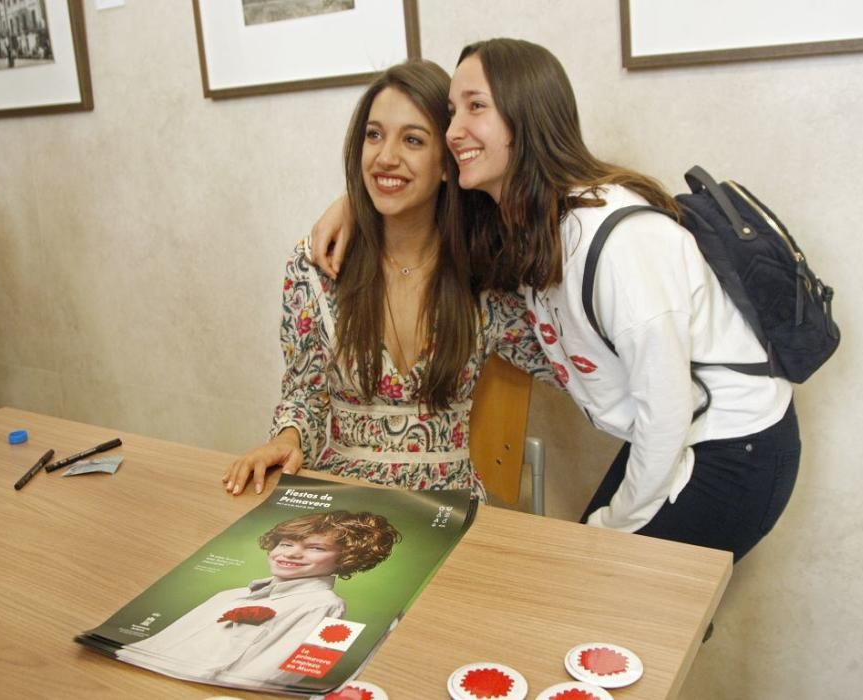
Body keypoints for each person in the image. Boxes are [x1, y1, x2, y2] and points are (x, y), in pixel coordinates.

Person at [309, 39, 801, 563]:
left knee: (611, 599)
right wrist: (357, 206)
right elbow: (422, 197)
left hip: (732, 446)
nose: (453, 131)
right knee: (593, 581)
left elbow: (667, 414)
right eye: (451, 111)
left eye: (476, 106)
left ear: (527, 116)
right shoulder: (524, 221)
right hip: (674, 434)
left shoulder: (617, 242)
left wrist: (611, 530)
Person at [223, 59, 551, 498]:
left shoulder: (484, 271)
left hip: (444, 507)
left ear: (446, 164)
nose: (385, 157)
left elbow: (566, 357)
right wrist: (286, 440)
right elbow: (304, 394)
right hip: (335, 498)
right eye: (373, 135)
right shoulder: (318, 265)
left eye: (412, 140)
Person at [116, 510, 400, 689]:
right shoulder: (228, 596)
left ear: (346, 558)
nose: (290, 554)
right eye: (286, 544)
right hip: (133, 674)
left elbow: (279, 673)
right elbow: (162, 642)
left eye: (314, 548)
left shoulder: (325, 605)